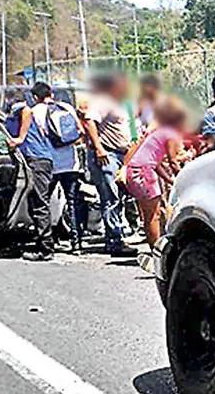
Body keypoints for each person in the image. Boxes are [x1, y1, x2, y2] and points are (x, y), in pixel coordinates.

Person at [123, 95, 188, 255]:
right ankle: (158, 255)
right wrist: (185, 178)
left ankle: (157, 252)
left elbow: (156, 162)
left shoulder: (161, 131)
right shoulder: (171, 133)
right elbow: (173, 163)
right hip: (142, 173)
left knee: (151, 214)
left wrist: (171, 180)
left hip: (138, 171)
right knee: (153, 215)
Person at [84, 73, 138, 258]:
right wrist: (99, 149)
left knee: (121, 196)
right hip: (108, 155)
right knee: (111, 197)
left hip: (124, 154)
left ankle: (118, 235)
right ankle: (114, 241)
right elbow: (89, 121)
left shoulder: (127, 104)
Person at [32, 82, 87, 253]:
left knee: (42, 203)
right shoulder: (66, 107)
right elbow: (80, 131)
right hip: (71, 163)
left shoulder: (35, 112)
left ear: (35, 97)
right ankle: (77, 243)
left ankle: (47, 241)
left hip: (49, 164)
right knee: (72, 202)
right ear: (51, 94)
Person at [6, 82, 56, 261]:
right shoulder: (9, 115)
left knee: (40, 203)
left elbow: (27, 111)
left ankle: (46, 248)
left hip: (38, 160)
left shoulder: (20, 108)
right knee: (35, 203)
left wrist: (20, 138)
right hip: (39, 160)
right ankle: (41, 242)